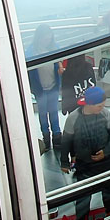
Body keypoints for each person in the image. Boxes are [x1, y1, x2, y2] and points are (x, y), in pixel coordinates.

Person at [59, 86, 110, 220]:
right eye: (99, 106)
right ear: (89, 104)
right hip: (84, 164)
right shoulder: (73, 118)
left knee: (109, 188)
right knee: (83, 194)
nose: (102, 108)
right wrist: (64, 162)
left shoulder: (105, 114)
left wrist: (106, 151)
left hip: (105, 161)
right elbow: (66, 141)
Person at [27, 25, 63, 154]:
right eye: (45, 36)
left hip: (53, 86)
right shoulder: (31, 52)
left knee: (53, 111)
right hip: (40, 88)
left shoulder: (55, 48)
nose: (47, 38)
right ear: (39, 37)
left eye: (49, 36)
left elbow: (60, 63)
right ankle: (46, 137)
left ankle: (57, 136)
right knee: (43, 113)